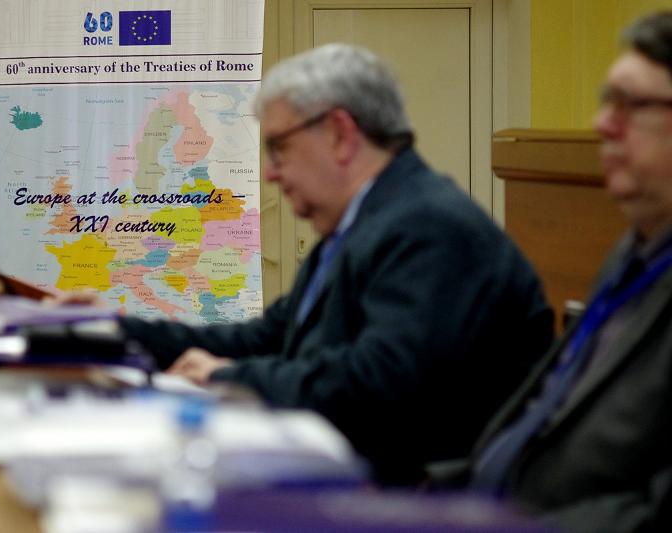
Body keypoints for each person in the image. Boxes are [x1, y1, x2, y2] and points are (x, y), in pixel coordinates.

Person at [116, 43, 553, 485]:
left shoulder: (430, 226)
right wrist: (109, 331)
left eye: (279, 148)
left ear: (339, 134)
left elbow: (378, 385)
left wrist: (228, 376)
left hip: (418, 498)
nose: (269, 172)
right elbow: (265, 339)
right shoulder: (358, 227)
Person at [433, 11, 672, 532]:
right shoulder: (631, 252)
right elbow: (542, 421)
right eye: (606, 101)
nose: (601, 124)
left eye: (632, 105)